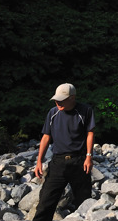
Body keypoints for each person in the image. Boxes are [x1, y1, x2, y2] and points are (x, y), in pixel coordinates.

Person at [31, 84, 96, 221]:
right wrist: (39, 161)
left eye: (62, 100)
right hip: (58, 162)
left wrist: (89, 157)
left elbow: (90, 133)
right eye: (56, 100)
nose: (58, 102)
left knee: (84, 201)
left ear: (72, 98)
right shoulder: (53, 112)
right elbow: (46, 137)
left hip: (79, 161)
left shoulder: (85, 111)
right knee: (45, 201)